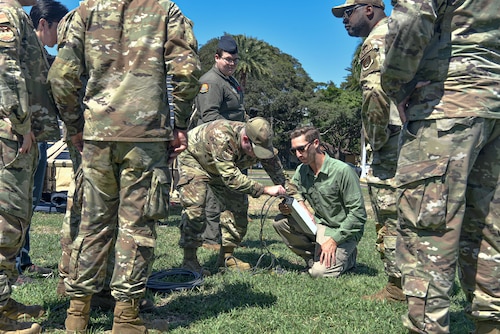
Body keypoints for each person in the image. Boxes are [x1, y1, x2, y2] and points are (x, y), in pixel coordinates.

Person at [47, 0, 200, 332]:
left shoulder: (85, 11)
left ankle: (77, 314)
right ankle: (126, 318)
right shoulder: (166, 10)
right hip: (145, 138)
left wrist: (75, 128)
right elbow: (186, 70)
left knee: (91, 224)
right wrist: (180, 125)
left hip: (97, 136)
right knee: (137, 227)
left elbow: (61, 76)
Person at [381, 0, 500, 332]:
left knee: (427, 230)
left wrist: (396, 85)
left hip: (447, 107)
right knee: (489, 230)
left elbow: (412, 18)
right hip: (493, 109)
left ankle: (426, 326)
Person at [331, 0, 404, 300]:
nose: (344, 20)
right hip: (412, 136)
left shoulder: (375, 42)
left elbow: (375, 96)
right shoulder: (399, 32)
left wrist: (375, 141)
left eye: (348, 13)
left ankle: (398, 287)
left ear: (369, 10)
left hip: (391, 140)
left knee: (389, 214)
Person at [0, 0, 61, 331]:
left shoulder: (17, 16)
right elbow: (6, 72)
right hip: (10, 135)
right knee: (5, 223)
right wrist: (21, 123)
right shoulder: (5, 13)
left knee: (15, 222)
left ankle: (4, 302)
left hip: (18, 135)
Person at [178, 117, 289, 274]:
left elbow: (279, 174)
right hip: (195, 161)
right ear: (245, 139)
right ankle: (189, 261)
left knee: (238, 208)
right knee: (195, 208)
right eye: (256, 151)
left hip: (224, 167)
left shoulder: (260, 142)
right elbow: (231, 178)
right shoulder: (221, 135)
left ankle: (226, 258)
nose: (258, 156)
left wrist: (293, 197)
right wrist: (264, 189)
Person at [13, 0, 69, 287]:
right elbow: (12, 87)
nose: (62, 36)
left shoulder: (43, 56)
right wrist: (23, 127)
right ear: (44, 24)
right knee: (14, 204)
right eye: (60, 28)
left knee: (29, 202)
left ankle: (21, 260)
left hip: (39, 139)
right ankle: (11, 267)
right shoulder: (20, 48)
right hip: (21, 138)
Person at [273, 126, 366, 278]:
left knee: (319, 273)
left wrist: (335, 240)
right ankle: (314, 258)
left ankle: (348, 258)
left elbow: (358, 215)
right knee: (280, 222)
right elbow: (295, 192)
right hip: (320, 226)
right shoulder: (302, 170)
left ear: (315, 143)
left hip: (342, 230)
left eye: (301, 149)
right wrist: (298, 208)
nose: (298, 154)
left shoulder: (342, 171)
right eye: (293, 151)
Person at [193, 34, 248, 250]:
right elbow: (209, 117)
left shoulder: (230, 81)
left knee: (232, 191)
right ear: (217, 57)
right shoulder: (211, 81)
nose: (232, 64)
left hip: (232, 145)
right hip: (215, 145)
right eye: (227, 59)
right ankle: (210, 239)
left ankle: (227, 237)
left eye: (235, 60)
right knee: (215, 192)